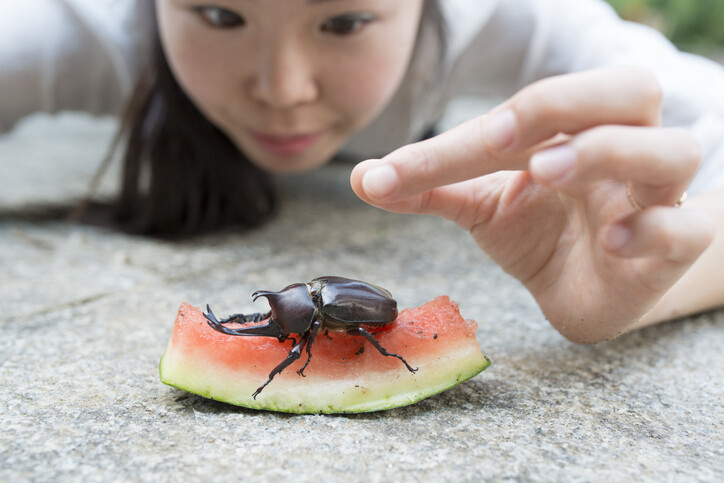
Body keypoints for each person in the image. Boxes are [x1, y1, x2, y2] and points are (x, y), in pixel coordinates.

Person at [2, 0, 724, 343]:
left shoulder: (516, 18)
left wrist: (650, 273)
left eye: (343, 21)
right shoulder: (87, 32)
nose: (283, 89)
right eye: (220, 15)